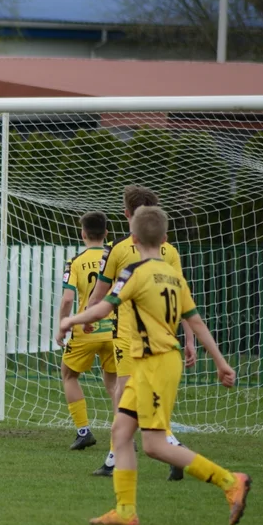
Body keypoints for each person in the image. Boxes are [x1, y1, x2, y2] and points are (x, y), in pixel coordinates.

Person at [61, 206, 251, 525]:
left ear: (133, 238)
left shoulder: (134, 272)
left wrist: (68, 321)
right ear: (163, 239)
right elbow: (196, 321)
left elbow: (101, 308)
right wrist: (221, 362)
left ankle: (230, 482)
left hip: (155, 364)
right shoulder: (173, 274)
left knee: (154, 445)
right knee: (121, 433)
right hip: (152, 362)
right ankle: (125, 510)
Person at [86, 186, 196, 480]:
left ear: (126, 214)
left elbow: (100, 293)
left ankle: (149, 452)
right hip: (164, 339)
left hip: (128, 336)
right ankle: (130, 456)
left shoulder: (118, 249)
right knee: (143, 398)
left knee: (125, 399)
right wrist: (190, 340)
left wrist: (84, 319)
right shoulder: (169, 250)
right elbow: (184, 298)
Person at [56, 211, 117, 450]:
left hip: (85, 329)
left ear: (82, 234)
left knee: (69, 375)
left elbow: (67, 299)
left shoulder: (75, 262)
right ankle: (124, 436)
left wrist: (62, 325)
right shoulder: (114, 257)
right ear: (107, 233)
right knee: (115, 384)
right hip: (114, 329)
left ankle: (83, 431)